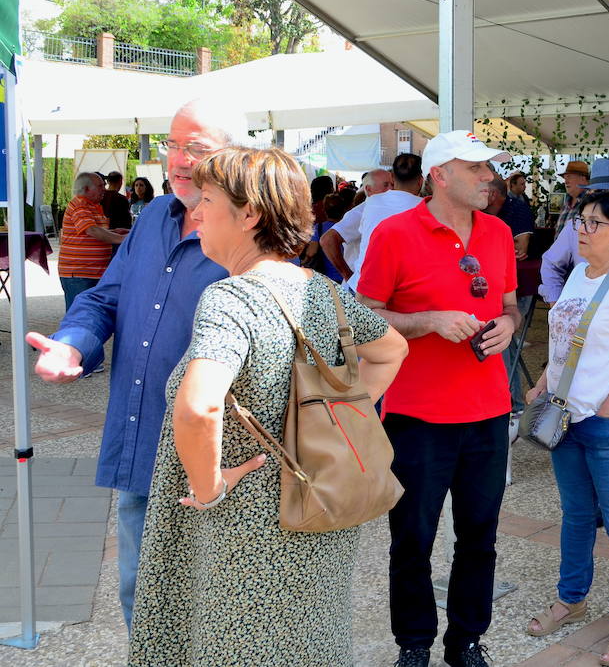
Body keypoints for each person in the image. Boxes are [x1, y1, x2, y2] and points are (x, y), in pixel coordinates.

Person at [126, 147, 407, 666]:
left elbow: (198, 408)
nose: (197, 212)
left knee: (237, 648)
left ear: (250, 214)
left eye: (207, 199)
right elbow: (391, 348)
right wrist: (343, 421)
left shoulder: (231, 298)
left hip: (246, 535)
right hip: (319, 503)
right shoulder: (323, 290)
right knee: (308, 644)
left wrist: (208, 485)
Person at [29, 99, 246, 628]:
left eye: (194, 147)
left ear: (235, 155)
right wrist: (74, 342)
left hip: (223, 454)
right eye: (172, 144)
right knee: (141, 589)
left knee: (216, 601)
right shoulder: (153, 218)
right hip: (143, 434)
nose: (177, 159)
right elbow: (107, 298)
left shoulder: (251, 232)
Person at [356, 132, 520, 667]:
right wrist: (426, 322)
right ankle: (414, 643)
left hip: (489, 412)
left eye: (489, 168)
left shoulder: (497, 233)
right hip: (416, 416)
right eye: (476, 168)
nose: (488, 177)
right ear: (440, 174)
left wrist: (507, 326)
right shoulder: (394, 233)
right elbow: (363, 317)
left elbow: (512, 305)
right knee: (413, 539)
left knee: (480, 536)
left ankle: (467, 640)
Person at [524, 193, 609, 665]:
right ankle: (571, 596)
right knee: (577, 516)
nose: (582, 231)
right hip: (565, 419)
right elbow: (567, 338)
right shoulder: (579, 275)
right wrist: (544, 381)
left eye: (595, 224)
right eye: (582, 222)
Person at [321, 152, 424, 292]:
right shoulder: (424, 207)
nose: (389, 189)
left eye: (390, 185)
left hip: (364, 285)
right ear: (421, 181)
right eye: (386, 185)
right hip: (366, 286)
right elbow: (327, 239)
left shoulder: (372, 203)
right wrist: (348, 275)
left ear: (393, 177)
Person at [540, 159, 609, 304]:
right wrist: (556, 302)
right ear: (591, 193)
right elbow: (551, 263)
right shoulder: (576, 226)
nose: (607, 198)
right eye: (600, 191)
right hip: (585, 312)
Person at [58, 173, 126, 314]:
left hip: (92, 273)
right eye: (100, 186)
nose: (104, 189)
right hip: (80, 273)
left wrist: (115, 232)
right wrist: (123, 239)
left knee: (92, 314)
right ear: (87, 189)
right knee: (79, 316)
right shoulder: (80, 205)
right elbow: (92, 231)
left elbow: (90, 233)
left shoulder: (93, 206)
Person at [302, 192, 349, 282]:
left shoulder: (319, 228)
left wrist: (303, 261)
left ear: (325, 210)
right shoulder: (348, 227)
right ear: (344, 209)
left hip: (328, 278)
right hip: (348, 276)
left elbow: (311, 252)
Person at [498, 171, 536, 260]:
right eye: (522, 184)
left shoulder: (524, 198)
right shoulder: (505, 202)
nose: (525, 186)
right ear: (513, 185)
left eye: (525, 184)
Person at [555, 160, 592, 232]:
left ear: (583, 179)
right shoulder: (567, 203)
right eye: (565, 178)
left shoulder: (591, 202)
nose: (566, 181)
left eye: (569, 177)